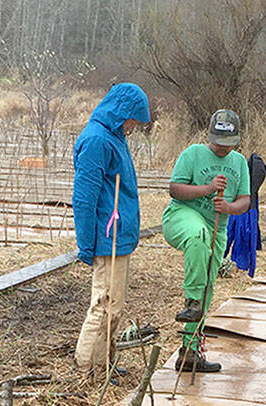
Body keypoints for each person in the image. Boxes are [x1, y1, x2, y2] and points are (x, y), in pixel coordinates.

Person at [71, 83, 151, 378]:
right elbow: (84, 197)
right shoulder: (96, 141)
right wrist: (86, 244)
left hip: (120, 237)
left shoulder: (114, 137)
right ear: (122, 113)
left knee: (114, 305)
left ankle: (104, 363)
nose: (133, 127)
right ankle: (86, 369)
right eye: (133, 120)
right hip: (107, 237)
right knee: (103, 304)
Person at [163, 109, 252, 373]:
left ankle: (190, 353)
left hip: (218, 226)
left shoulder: (239, 163)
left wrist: (227, 206)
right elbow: (175, 189)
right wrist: (208, 189)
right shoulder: (192, 154)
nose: (223, 149)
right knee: (198, 237)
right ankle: (191, 302)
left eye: (228, 144)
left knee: (208, 288)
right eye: (218, 142)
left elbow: (245, 200)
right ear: (209, 136)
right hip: (183, 215)